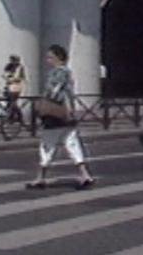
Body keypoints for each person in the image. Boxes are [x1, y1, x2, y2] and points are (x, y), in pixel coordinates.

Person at [27, 44, 94, 190]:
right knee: (72, 144)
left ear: (59, 58)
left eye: (50, 57)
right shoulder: (68, 72)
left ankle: (40, 178)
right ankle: (85, 175)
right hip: (68, 114)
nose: (47, 60)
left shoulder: (58, 72)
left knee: (47, 145)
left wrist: (43, 103)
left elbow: (54, 91)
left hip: (55, 114)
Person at [2, 54, 26, 122]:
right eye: (12, 60)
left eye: (14, 60)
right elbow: (4, 74)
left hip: (16, 86)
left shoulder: (20, 67)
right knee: (9, 101)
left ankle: (18, 116)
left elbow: (20, 77)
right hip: (9, 85)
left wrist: (11, 78)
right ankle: (12, 116)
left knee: (13, 101)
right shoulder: (8, 66)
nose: (12, 62)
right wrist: (7, 77)